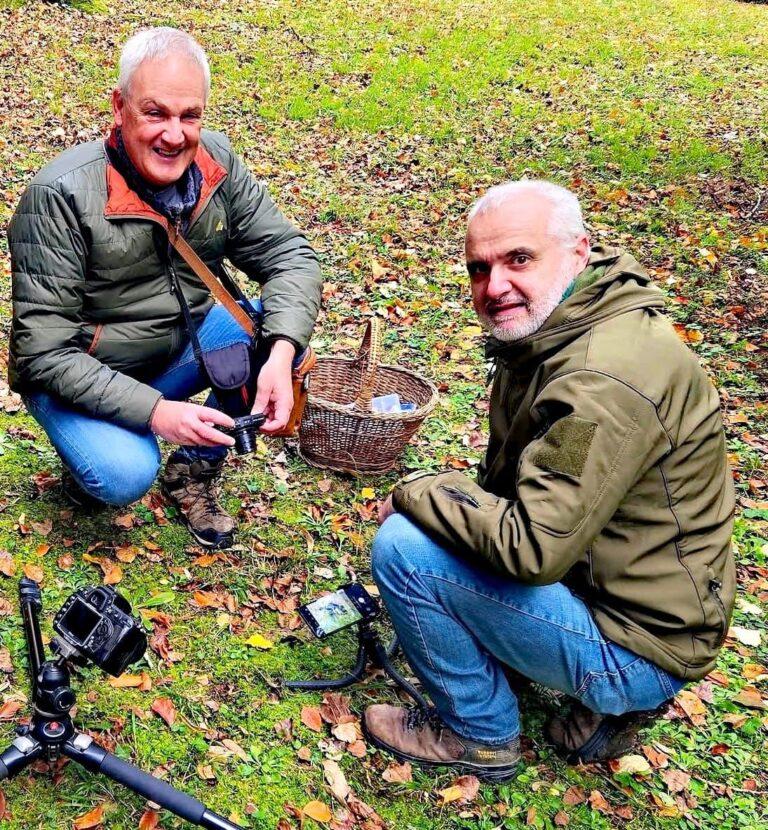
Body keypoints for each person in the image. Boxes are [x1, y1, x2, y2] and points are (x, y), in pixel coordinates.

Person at [362, 181, 735, 781]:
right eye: (479, 268)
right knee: (449, 527)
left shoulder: (600, 382)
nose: (494, 286)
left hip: (641, 642)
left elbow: (532, 547)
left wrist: (418, 491)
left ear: (579, 251)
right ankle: (598, 698)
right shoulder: (563, 326)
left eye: (519, 259)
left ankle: (479, 733)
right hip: (641, 602)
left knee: (406, 548)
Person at [7, 28, 322, 549]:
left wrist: (280, 350)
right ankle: (90, 451)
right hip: (82, 368)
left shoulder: (215, 165)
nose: (174, 135)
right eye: (155, 113)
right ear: (120, 108)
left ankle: (194, 471)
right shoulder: (59, 196)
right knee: (123, 473)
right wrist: (157, 414)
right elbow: (43, 353)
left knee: (275, 327)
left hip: (179, 338)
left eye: (189, 116)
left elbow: (290, 255)